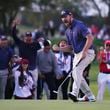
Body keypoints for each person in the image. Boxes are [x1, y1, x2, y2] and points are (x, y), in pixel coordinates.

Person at [60, 9, 96, 102]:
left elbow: (90, 38)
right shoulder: (67, 31)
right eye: (63, 18)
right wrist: (61, 49)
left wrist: (84, 51)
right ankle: (90, 96)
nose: (64, 19)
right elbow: (71, 47)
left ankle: (74, 93)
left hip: (88, 52)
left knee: (77, 71)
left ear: (71, 16)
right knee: (76, 74)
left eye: (66, 17)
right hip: (77, 54)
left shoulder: (79, 25)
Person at [11, 20, 41, 99]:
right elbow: (14, 35)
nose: (28, 37)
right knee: (21, 85)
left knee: (34, 86)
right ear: (25, 37)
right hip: (23, 69)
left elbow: (43, 45)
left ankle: (34, 101)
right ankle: (19, 98)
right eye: (27, 36)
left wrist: (40, 40)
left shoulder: (35, 44)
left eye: (30, 36)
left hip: (33, 68)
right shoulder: (21, 43)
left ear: (31, 37)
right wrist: (14, 26)